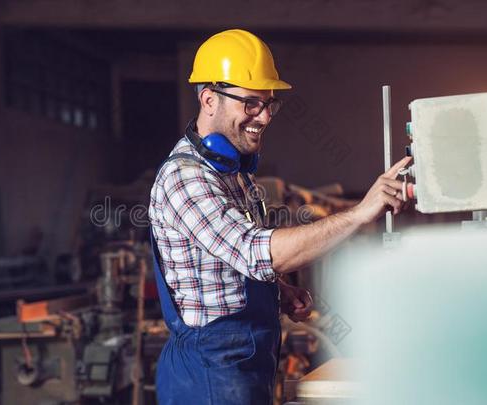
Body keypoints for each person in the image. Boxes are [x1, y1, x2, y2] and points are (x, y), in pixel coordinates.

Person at [148, 29, 410, 405]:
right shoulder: (186, 178)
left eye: (270, 104)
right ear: (209, 99)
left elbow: (231, 265)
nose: (265, 116)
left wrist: (278, 292)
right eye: (251, 103)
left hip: (244, 366)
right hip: (208, 375)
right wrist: (358, 214)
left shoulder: (233, 171)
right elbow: (258, 253)